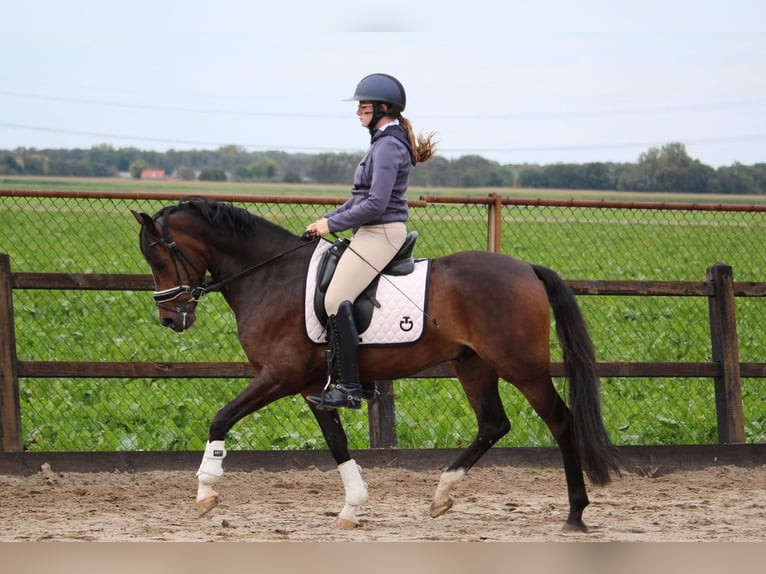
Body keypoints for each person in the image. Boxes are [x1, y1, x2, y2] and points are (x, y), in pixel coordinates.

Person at [305, 72, 437, 410]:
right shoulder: (382, 142)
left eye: (363, 107)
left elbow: (376, 203)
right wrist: (326, 221)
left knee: (335, 299)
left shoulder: (389, 146)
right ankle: (356, 380)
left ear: (382, 108)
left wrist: (331, 223)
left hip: (381, 232)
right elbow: (359, 199)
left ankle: (350, 387)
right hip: (370, 230)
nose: (358, 112)